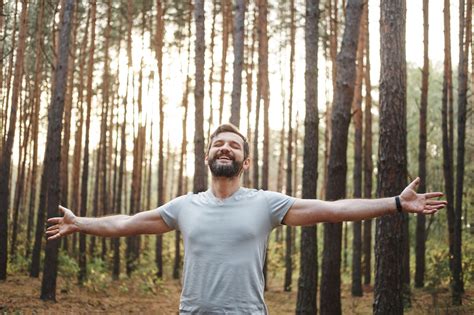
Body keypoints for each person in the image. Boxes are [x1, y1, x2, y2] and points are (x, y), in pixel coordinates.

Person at [46, 123, 446, 314]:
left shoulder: (267, 204)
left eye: (233, 145)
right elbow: (126, 223)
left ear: (245, 161)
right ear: (207, 157)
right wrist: (81, 223)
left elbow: (335, 209)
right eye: (218, 144)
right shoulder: (184, 206)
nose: (225, 148)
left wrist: (394, 202)